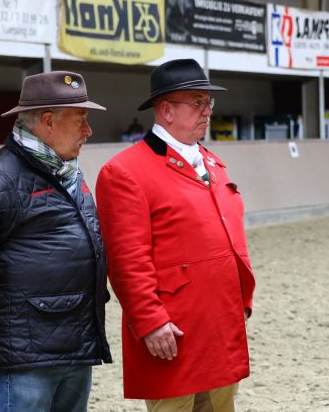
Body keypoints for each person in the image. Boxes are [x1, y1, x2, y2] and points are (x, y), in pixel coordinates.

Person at [0, 71, 111, 412]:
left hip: (75, 344)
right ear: (48, 122)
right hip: (24, 355)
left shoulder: (69, 173)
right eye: (81, 120)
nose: (88, 131)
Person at [96, 59, 255, 412]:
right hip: (173, 330)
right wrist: (150, 321)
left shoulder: (212, 163)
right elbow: (126, 259)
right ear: (166, 110)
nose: (208, 111)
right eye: (198, 103)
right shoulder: (125, 172)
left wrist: (241, 297)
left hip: (220, 321)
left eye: (209, 102)